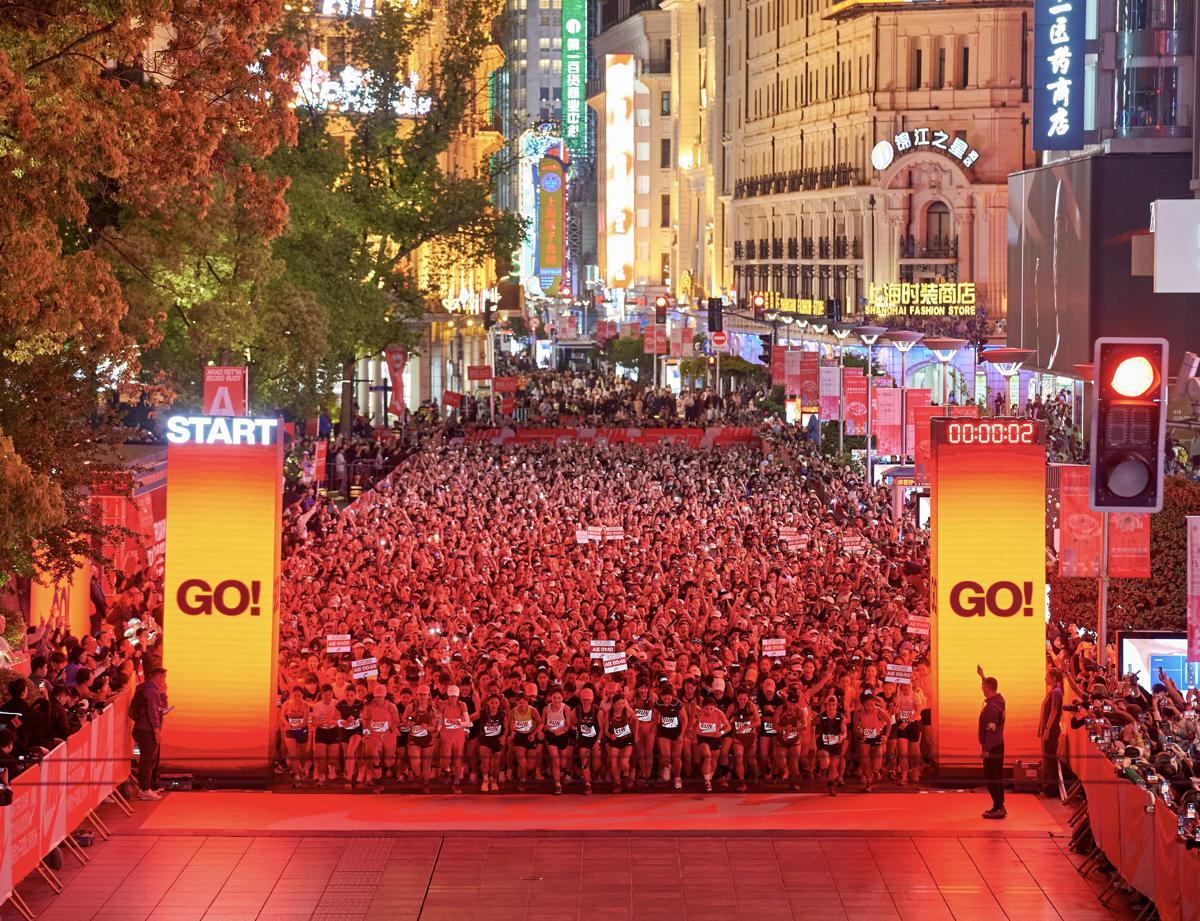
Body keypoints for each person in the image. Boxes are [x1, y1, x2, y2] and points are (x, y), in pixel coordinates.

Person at [132, 666, 169, 800]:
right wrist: (156, 731)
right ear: (157, 677)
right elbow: (154, 712)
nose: (164, 681)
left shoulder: (143, 688)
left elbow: (161, 707)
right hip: (147, 730)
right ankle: (145, 790)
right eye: (163, 678)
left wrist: (163, 693)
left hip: (141, 728)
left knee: (148, 759)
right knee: (148, 760)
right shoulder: (151, 692)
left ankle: (146, 788)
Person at [977, 665, 1007, 819]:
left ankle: (998, 807)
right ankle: (999, 805)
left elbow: (991, 730)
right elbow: (990, 685)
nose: (981, 688)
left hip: (992, 747)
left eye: (982, 686)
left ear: (987, 688)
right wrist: (982, 676)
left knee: (991, 778)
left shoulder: (991, 708)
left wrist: (986, 749)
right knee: (997, 776)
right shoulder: (999, 701)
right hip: (999, 744)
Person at [1037, 667, 1063, 798]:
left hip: (1051, 731)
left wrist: (1047, 730)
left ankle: (1050, 789)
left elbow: (1053, 711)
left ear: (1053, 678)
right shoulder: (1053, 691)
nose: (1045, 678)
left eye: (1047, 676)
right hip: (1048, 730)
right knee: (1047, 759)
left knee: (1049, 759)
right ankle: (1049, 787)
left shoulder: (1056, 692)